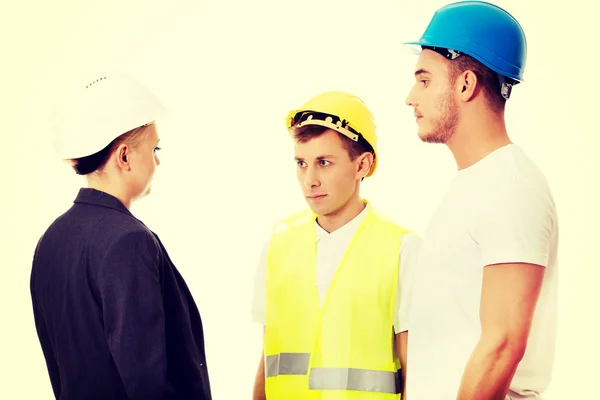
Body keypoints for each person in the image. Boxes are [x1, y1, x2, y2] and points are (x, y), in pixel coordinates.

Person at [402, 1, 559, 399]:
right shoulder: (476, 184)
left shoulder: (511, 186)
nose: (409, 97)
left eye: (423, 81)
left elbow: (503, 343)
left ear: (466, 85)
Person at [30, 73, 212, 400]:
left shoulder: (51, 240)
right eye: (154, 149)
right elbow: (148, 384)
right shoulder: (128, 241)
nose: (157, 161)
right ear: (124, 157)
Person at [250, 90, 421, 399]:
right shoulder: (278, 246)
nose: (309, 180)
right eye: (301, 163)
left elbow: (415, 372)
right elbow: (267, 362)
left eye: (324, 163)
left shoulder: (402, 250)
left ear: (362, 165)